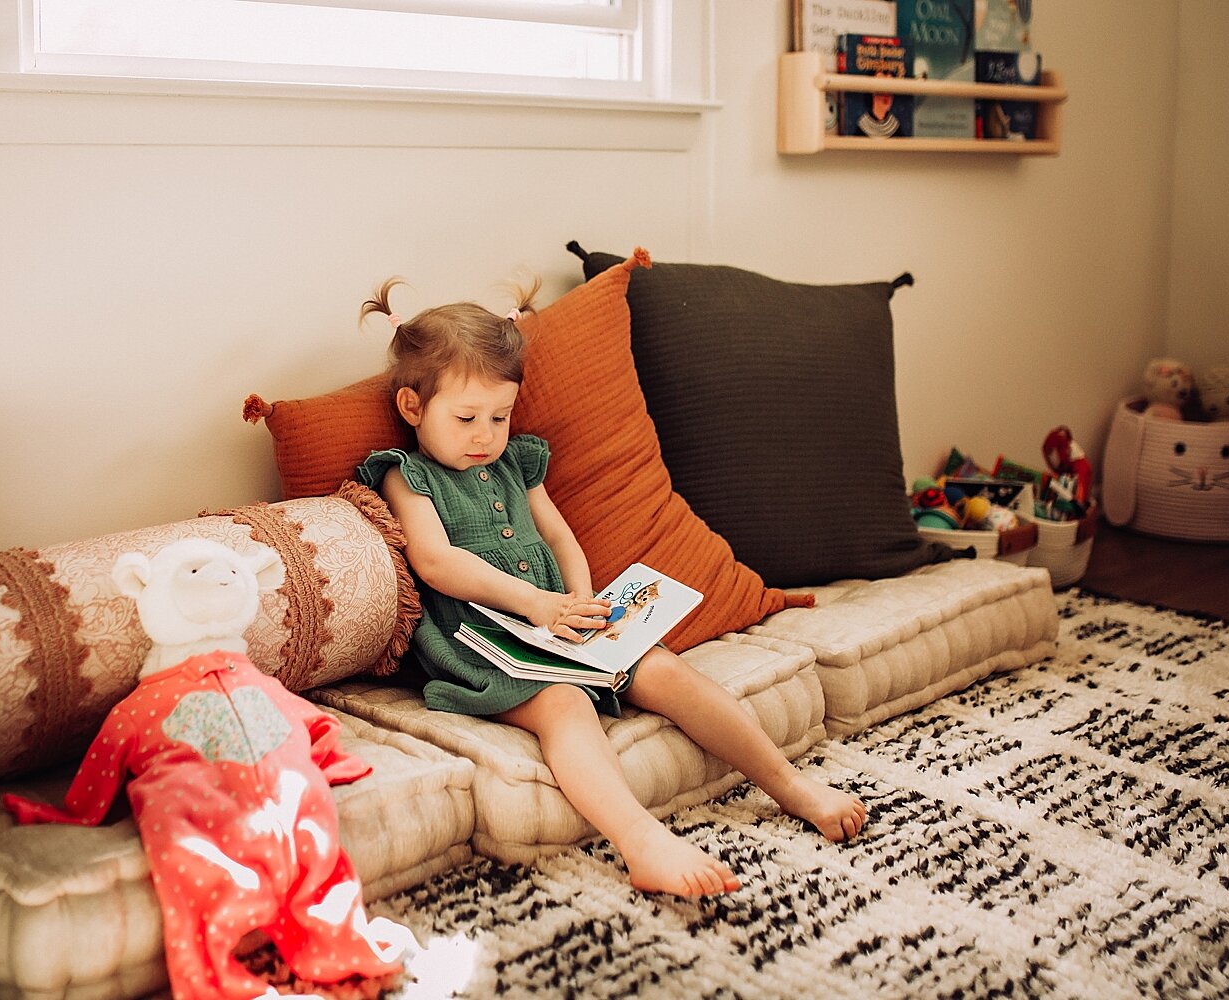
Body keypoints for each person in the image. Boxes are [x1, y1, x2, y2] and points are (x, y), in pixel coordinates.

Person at [356, 278, 867, 897]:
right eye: (466, 418)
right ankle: (641, 842)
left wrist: (581, 602)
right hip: (483, 644)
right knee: (564, 705)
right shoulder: (406, 477)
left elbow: (562, 539)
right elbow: (436, 564)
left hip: (561, 623)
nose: (485, 434)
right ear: (413, 407)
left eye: (500, 415)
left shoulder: (515, 461)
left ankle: (788, 784)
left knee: (666, 671)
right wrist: (537, 605)